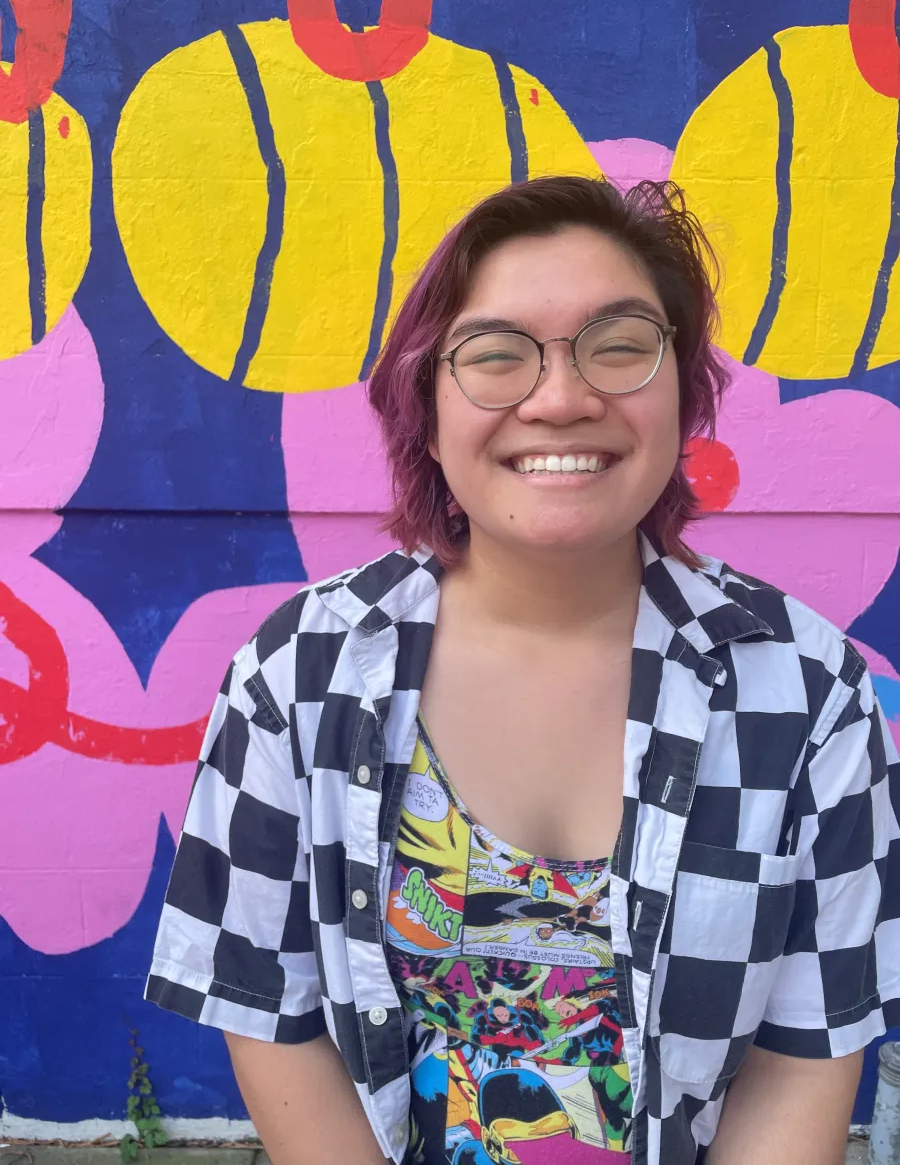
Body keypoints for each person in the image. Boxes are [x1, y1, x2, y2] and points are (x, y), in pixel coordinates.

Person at [146, 176, 899, 1165]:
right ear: (425, 406)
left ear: (686, 392)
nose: (560, 399)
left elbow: (802, 1055)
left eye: (621, 347)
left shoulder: (807, 693)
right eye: (496, 357)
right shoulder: (298, 675)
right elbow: (269, 1014)